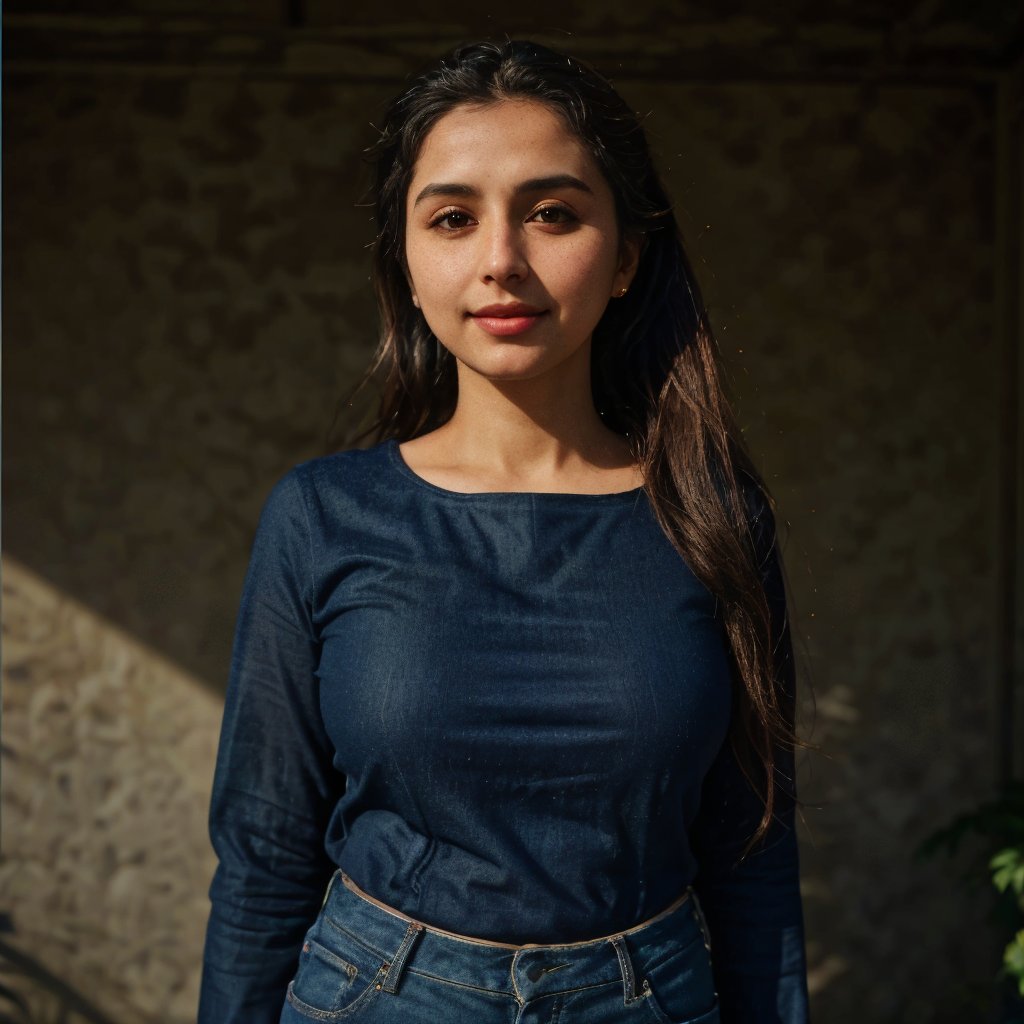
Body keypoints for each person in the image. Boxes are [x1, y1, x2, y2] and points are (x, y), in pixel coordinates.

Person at [198, 39, 809, 1024]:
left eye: (553, 214)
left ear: (625, 259)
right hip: (378, 996)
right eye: (451, 217)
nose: (500, 262)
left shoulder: (713, 516)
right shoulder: (322, 515)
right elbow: (265, 847)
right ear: (405, 257)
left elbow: (752, 850)